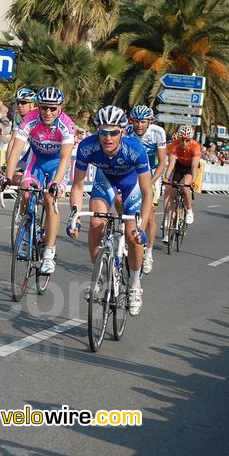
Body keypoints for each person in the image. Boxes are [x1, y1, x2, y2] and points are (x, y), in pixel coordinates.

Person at [67, 105, 152, 316]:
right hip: (105, 181)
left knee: (133, 238)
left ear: (122, 132)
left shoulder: (135, 150)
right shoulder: (88, 147)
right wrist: (75, 215)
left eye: (113, 132)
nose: (108, 138)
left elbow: (147, 193)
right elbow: (77, 186)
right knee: (96, 223)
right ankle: (99, 276)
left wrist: (141, 227)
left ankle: (134, 286)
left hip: (131, 185)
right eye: (103, 132)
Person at [0, 87, 75, 275]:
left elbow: (66, 158)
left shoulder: (67, 125)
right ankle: (25, 236)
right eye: (44, 108)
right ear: (38, 107)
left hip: (57, 164)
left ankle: (49, 253)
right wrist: (8, 176)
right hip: (37, 161)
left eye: (52, 108)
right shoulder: (30, 119)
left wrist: (56, 183)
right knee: (25, 190)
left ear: (60, 108)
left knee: (50, 199)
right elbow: (16, 150)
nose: (48, 112)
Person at [126, 105, 166, 274]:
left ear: (150, 121)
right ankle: (126, 231)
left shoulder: (158, 133)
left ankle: (148, 252)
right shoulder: (127, 131)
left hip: (151, 173)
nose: (139, 125)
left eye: (143, 122)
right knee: (121, 201)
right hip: (132, 173)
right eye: (136, 122)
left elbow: (162, 162)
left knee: (149, 216)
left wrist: (151, 182)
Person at [162, 125, 201, 231]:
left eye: (187, 140)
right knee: (173, 193)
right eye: (181, 140)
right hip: (179, 166)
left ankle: (189, 210)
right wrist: (166, 177)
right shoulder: (174, 145)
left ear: (191, 139)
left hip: (190, 167)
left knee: (185, 186)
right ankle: (172, 219)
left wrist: (193, 180)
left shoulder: (195, 146)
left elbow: (194, 166)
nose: (184, 143)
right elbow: (171, 164)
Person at [1, 88, 38, 186]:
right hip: (32, 149)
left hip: (43, 149)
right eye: (18, 102)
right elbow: (13, 141)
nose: (19, 105)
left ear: (32, 104)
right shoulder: (18, 116)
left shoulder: (39, 115)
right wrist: (8, 163)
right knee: (15, 175)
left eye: (23, 102)